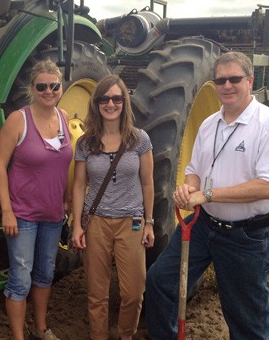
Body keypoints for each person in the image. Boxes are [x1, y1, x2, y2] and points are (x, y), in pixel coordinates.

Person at [145, 51, 269, 339]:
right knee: (160, 280)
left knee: (244, 318)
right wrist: (189, 186)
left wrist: (207, 195)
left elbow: (268, 186)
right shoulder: (209, 124)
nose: (227, 85)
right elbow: (194, 169)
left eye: (234, 79)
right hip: (203, 226)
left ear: (250, 81)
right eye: (220, 80)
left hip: (245, 236)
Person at [71, 75, 155, 340]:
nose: (110, 104)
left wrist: (149, 222)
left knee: (133, 292)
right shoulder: (85, 143)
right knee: (97, 292)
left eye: (116, 98)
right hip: (96, 222)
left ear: (124, 102)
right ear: (96, 104)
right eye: (104, 99)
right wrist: (76, 225)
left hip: (131, 222)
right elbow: (78, 186)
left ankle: (125, 335)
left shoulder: (139, 140)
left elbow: (148, 183)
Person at [0, 60, 72, 340]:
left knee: (45, 273)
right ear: (32, 88)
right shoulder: (18, 119)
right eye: (42, 86)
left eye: (54, 86)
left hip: (53, 215)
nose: (48, 91)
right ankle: (18, 337)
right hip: (23, 215)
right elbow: (0, 165)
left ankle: (40, 328)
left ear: (61, 87)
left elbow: (63, 165)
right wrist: (7, 211)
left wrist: (66, 198)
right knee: (20, 278)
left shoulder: (63, 117)